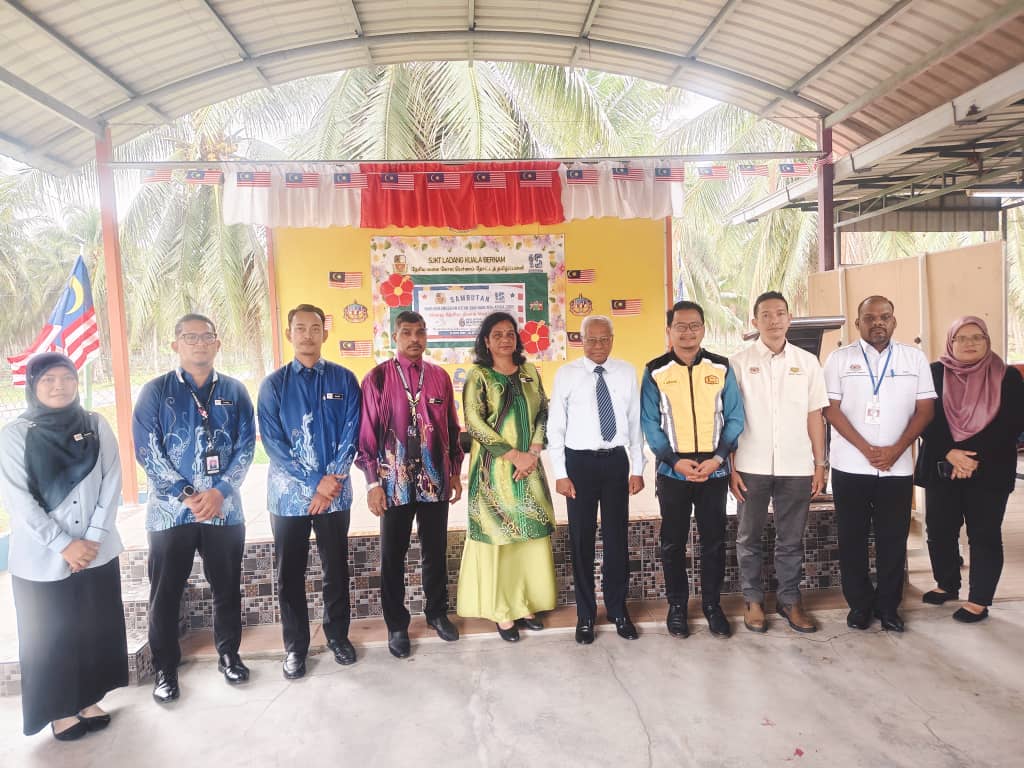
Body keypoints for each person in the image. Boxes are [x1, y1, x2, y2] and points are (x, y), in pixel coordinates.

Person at [0, 354, 128, 740]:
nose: (59, 386)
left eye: (67, 378)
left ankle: (88, 700)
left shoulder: (95, 424)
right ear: (32, 385)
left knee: (93, 627)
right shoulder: (15, 434)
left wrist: (93, 538)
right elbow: (19, 500)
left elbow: (112, 480)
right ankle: (60, 711)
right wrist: (63, 544)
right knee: (50, 636)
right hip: (42, 558)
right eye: (48, 379)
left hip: (96, 550)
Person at [133, 314, 255, 703]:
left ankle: (229, 655)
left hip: (224, 511)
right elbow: (147, 450)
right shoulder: (155, 392)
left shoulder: (235, 391)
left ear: (218, 344)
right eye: (190, 337)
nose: (199, 343)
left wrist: (220, 491)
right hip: (170, 513)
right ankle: (165, 670)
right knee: (166, 593)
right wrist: (186, 493)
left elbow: (246, 446)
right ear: (176, 345)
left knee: (227, 588)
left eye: (206, 337)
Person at [258, 304, 361, 678]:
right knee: (290, 574)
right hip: (288, 499)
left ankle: (338, 636)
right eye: (299, 328)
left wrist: (330, 482)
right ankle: (295, 647)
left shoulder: (344, 379)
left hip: (335, 495)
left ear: (324, 333)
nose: (307, 335)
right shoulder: (273, 385)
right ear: (289, 334)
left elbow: (352, 433)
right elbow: (274, 444)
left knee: (336, 569)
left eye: (314, 328)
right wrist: (315, 481)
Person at [823, 296, 934, 632]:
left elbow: (926, 410)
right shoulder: (839, 359)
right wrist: (867, 449)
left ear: (894, 321)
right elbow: (830, 410)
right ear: (858, 323)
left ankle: (888, 607)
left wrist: (897, 450)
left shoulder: (914, 358)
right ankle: (859, 606)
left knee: (893, 540)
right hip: (849, 466)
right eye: (869, 318)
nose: (878, 323)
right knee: (852, 539)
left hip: (897, 469)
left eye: (884, 316)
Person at [357, 310, 464, 659]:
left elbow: (451, 428)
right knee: (393, 556)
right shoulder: (376, 379)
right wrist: (372, 483)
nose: (414, 339)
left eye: (420, 332)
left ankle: (437, 613)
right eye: (406, 332)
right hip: (393, 482)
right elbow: (367, 435)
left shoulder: (439, 377)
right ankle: (397, 625)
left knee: (435, 551)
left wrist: (453, 472)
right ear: (395, 337)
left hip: (434, 480)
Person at [641, 300, 744, 639]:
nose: (688, 332)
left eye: (694, 325)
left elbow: (735, 417)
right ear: (669, 330)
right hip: (674, 472)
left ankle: (713, 605)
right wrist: (674, 461)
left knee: (714, 541)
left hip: (714, 471)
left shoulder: (721, 367)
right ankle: (677, 607)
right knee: (673, 542)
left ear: (703, 329)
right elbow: (650, 423)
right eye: (680, 326)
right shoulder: (655, 370)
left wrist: (719, 458)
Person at [730, 292, 829, 634]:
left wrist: (820, 464)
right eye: (766, 315)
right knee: (748, 537)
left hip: (797, 466)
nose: (774, 320)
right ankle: (753, 600)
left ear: (789, 319)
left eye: (780, 313)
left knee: (791, 539)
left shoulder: (808, 362)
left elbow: (815, 416)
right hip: (750, 465)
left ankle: (789, 600)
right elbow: (730, 420)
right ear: (754, 322)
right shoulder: (738, 363)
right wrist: (731, 467)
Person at [915, 316, 1024, 622]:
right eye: (961, 338)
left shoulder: (1006, 376)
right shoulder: (934, 373)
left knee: (984, 533)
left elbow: (1013, 422)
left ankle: (979, 599)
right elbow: (924, 416)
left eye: (977, 337)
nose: (969, 343)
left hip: (990, 468)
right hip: (942, 464)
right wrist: (950, 452)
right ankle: (947, 584)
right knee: (939, 529)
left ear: (987, 340)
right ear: (950, 342)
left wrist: (970, 458)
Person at [457, 311, 556, 641]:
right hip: (494, 472)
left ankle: (525, 603)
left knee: (528, 537)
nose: (505, 339)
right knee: (500, 539)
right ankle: (502, 610)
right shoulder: (479, 376)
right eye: (497, 334)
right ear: (486, 341)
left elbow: (543, 411)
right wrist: (515, 456)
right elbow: (474, 423)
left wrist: (534, 451)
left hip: (529, 469)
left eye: (510, 333)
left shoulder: (530, 372)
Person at [548, 315, 645, 644]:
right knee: (581, 540)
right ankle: (586, 615)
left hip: (615, 461)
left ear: (612, 339)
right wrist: (561, 473)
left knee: (617, 539)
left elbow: (634, 423)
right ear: (581, 340)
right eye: (592, 339)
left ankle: (618, 610)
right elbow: (555, 427)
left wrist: (637, 467)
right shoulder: (567, 374)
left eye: (605, 339)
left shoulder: (626, 372)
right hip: (579, 464)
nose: (598, 345)